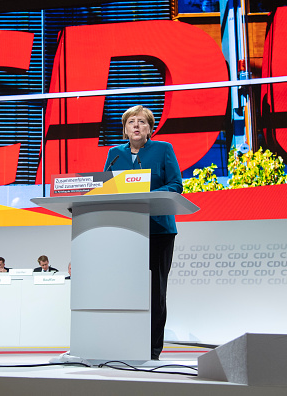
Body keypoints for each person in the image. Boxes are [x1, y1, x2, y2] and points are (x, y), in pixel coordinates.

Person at [103, 105, 183, 360]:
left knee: (156, 290)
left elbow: (176, 184)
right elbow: (104, 188)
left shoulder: (164, 149)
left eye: (142, 122)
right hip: (126, 230)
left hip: (159, 229)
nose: (137, 126)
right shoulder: (115, 154)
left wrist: (146, 192)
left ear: (150, 128)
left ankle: (152, 349)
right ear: (125, 129)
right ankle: (124, 343)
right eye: (131, 122)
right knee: (125, 288)